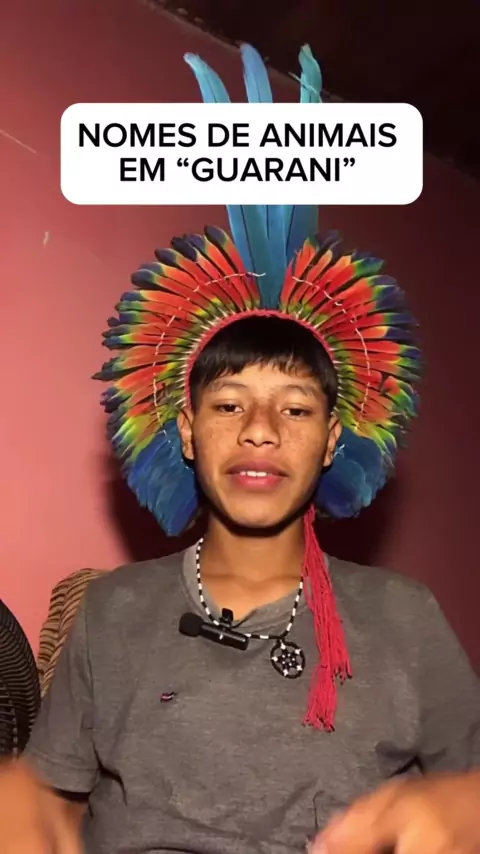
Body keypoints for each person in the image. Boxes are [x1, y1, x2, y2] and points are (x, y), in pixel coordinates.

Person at [1, 42, 479, 854]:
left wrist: (460, 809)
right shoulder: (113, 611)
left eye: (295, 409)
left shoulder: (406, 617)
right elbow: (47, 805)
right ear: (187, 431)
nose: (260, 429)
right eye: (228, 405)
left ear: (332, 441)